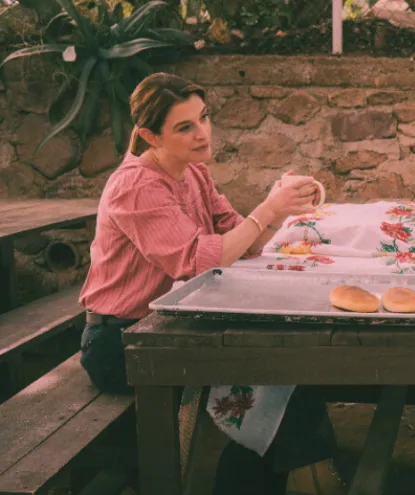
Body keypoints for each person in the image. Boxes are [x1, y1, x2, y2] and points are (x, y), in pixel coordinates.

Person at [78, 73, 344, 495]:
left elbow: (242, 242)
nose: (202, 133)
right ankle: (307, 477)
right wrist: (266, 209)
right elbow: (198, 259)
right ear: (150, 135)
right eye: (184, 127)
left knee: (287, 362)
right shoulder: (135, 186)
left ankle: (280, 477)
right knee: (273, 368)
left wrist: (276, 207)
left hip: (176, 325)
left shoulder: (193, 173)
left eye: (203, 118)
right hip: (121, 341)